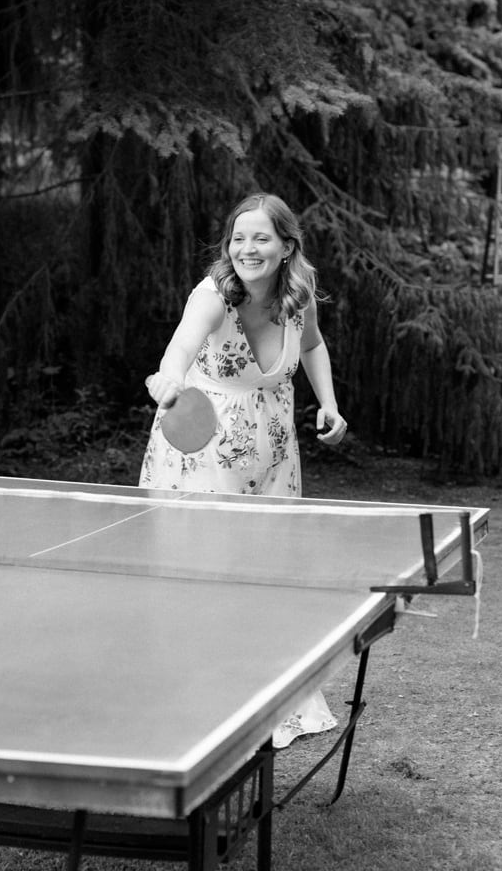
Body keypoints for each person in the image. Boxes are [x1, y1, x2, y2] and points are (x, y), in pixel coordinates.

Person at [139, 191, 348, 746]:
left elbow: (314, 347)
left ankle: (271, 696)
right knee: (207, 572)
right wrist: (168, 379)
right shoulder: (212, 295)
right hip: (203, 449)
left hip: (274, 449)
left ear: (286, 247)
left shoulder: (298, 296)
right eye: (238, 237)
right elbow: (180, 346)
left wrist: (328, 403)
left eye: (261, 238)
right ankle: (206, 696)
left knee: (268, 573)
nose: (247, 249)